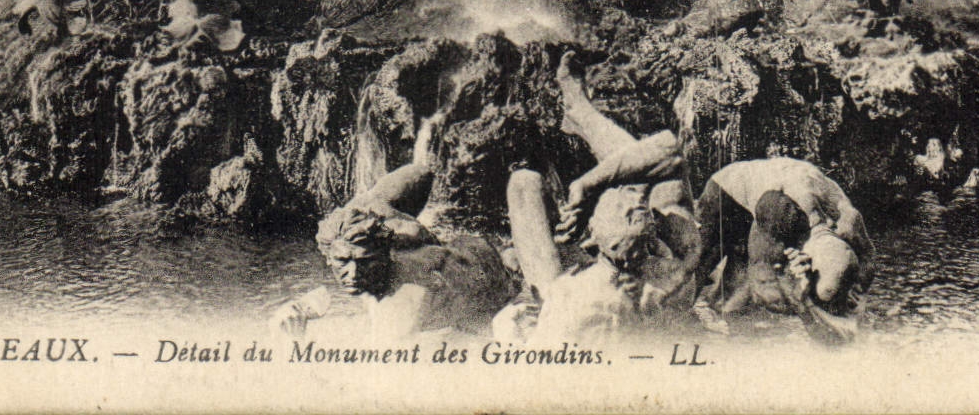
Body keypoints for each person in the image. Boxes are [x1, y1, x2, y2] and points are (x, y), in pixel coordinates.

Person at [496, 52, 700, 344]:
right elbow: (668, 149)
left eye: (623, 205)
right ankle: (579, 110)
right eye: (629, 204)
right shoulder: (677, 259)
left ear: (590, 233)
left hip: (561, 296)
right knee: (653, 180)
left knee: (523, 181)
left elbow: (523, 186)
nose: (631, 198)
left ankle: (577, 109)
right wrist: (590, 185)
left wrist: (584, 192)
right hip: (632, 294)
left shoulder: (564, 294)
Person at [271, 162, 516, 340]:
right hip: (463, 252)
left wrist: (295, 341)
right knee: (375, 201)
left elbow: (375, 392)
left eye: (363, 262)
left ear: (384, 255)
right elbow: (422, 174)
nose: (353, 273)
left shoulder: (399, 304)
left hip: (491, 278)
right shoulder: (385, 220)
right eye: (343, 262)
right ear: (329, 256)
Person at [691, 156, 876, 344]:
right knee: (696, 275)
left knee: (738, 302)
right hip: (729, 189)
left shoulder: (849, 222)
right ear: (805, 254)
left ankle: (725, 318)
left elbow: (868, 257)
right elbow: (762, 287)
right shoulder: (779, 215)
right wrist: (800, 296)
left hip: (787, 184)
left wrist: (858, 290)